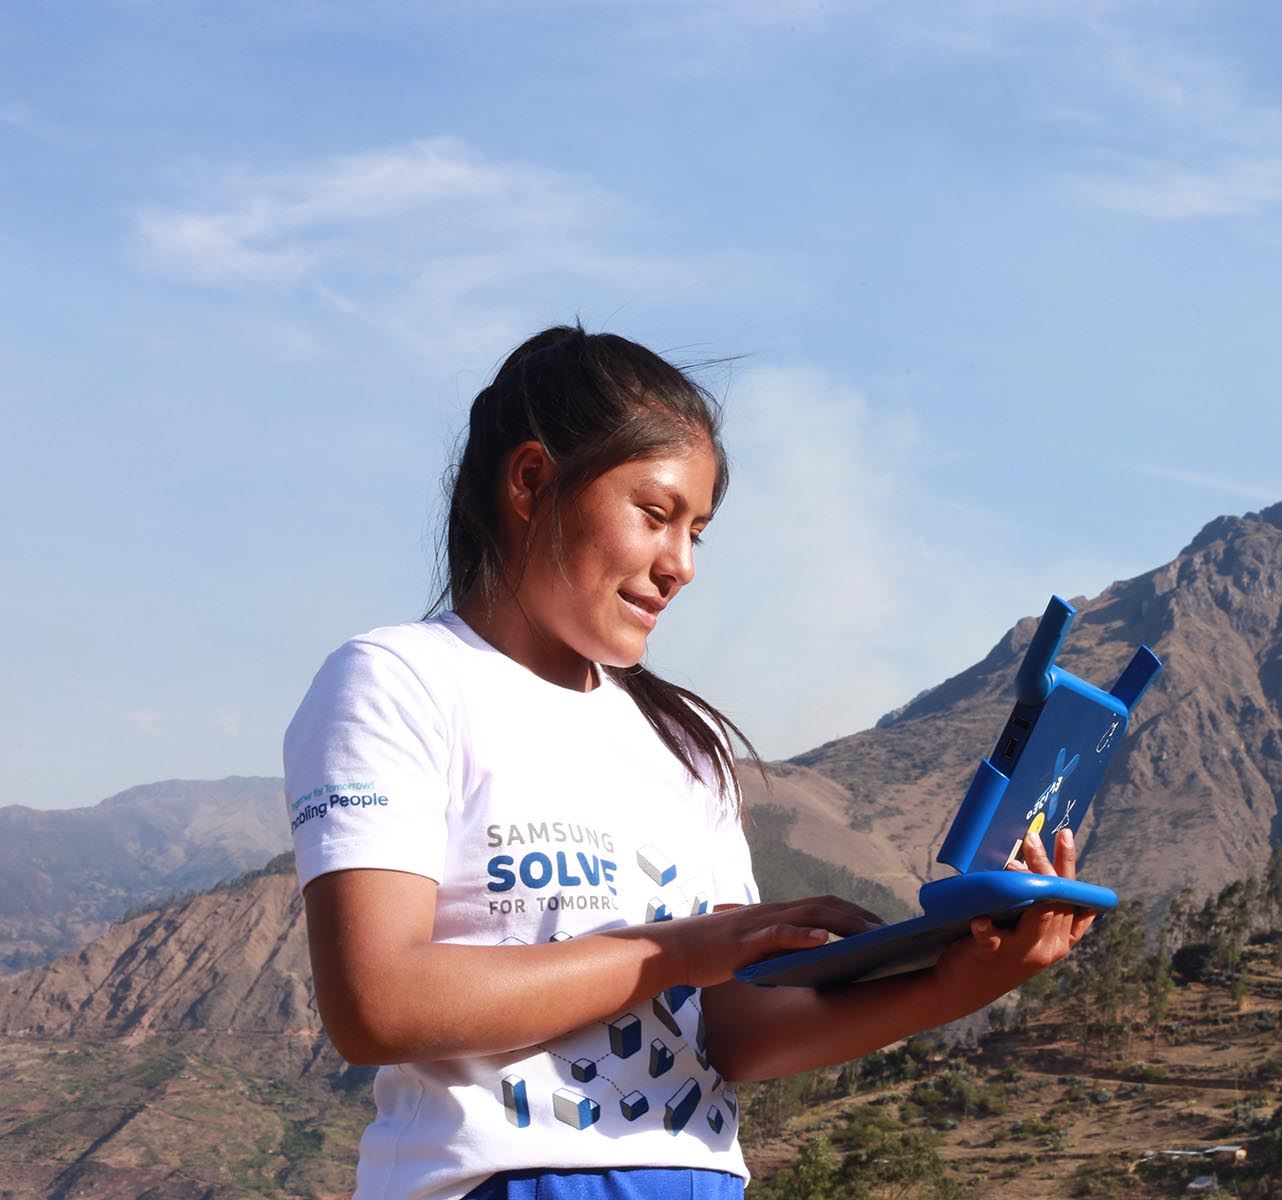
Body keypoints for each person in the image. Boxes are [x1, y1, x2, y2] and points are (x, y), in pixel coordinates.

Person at [285, 325, 1095, 1200]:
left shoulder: (686, 741)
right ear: (531, 481)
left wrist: (964, 977)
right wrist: (676, 949)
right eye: (656, 514)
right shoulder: (400, 680)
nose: (681, 567)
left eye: (698, 532)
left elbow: (736, 1036)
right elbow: (378, 1002)